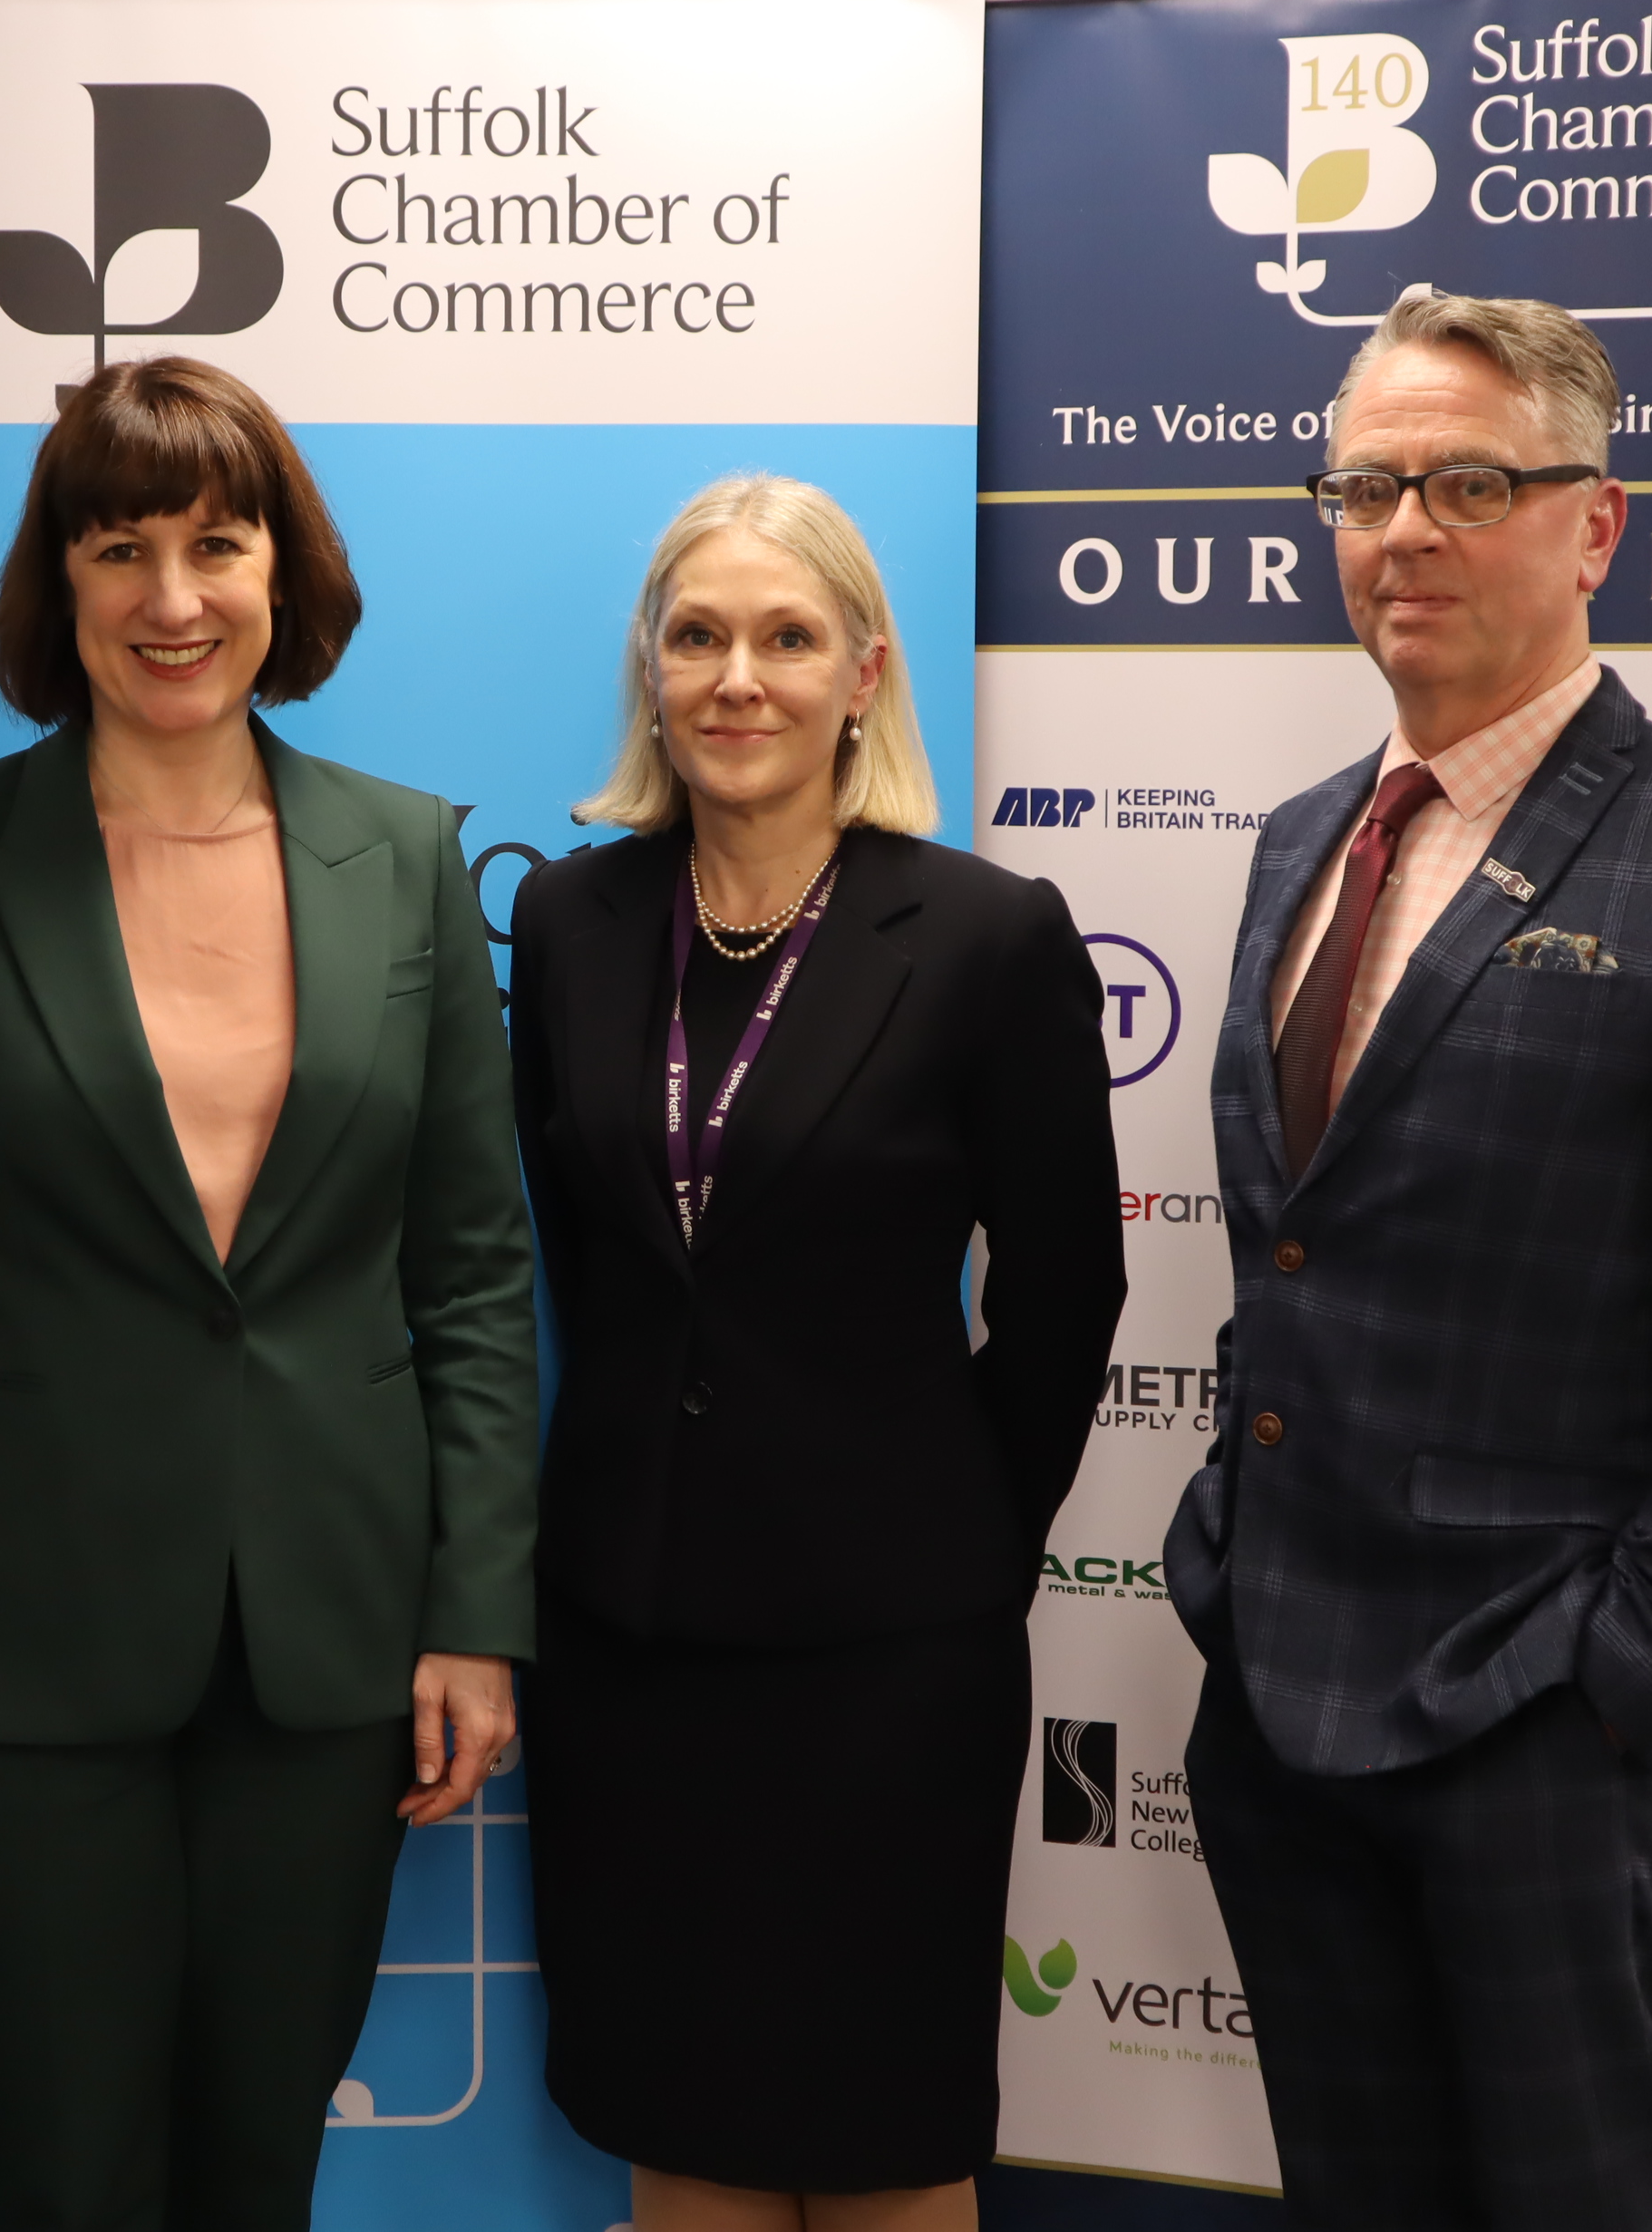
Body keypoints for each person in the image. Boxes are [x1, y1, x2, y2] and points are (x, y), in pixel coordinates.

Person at [0, 355, 538, 2232]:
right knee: (54, 2179)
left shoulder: (405, 857)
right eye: (119, 547)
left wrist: (473, 1613)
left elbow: (472, 1273)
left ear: (285, 573)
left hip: (326, 1653)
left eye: (217, 544)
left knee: (255, 2174)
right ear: (60, 582)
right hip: (13, 1658)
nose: (172, 597)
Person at [1166, 291, 1652, 2230]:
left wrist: (1621, 1674)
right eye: (1367, 487)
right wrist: (1228, 1555)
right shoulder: (1302, 842)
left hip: (1544, 1729)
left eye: (1470, 484)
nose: (1405, 529)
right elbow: (1300, 1251)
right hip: (1282, 1695)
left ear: (1596, 525)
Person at [510, 475, 1125, 2232]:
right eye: (697, 636)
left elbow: (1066, 1295)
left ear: (864, 672)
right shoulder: (571, 923)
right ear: (650, 669)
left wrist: (957, 1540)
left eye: (786, 638)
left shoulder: (987, 936)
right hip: (629, 1643)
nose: (738, 678)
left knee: (881, 2141)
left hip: (887, 1662)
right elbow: (577, 1260)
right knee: (677, 2122)